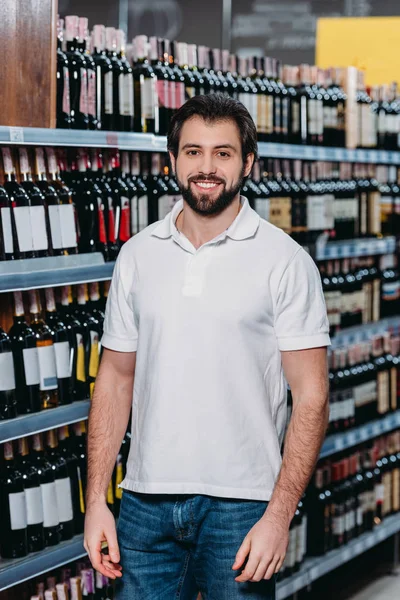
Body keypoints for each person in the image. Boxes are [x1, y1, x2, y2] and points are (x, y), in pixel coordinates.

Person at [84, 93, 330, 600]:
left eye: (223, 153)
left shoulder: (284, 260)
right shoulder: (138, 255)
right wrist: (95, 501)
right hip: (144, 503)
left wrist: (279, 515)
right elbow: (114, 379)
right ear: (173, 160)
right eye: (193, 151)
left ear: (247, 163)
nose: (207, 167)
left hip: (241, 509)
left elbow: (312, 397)